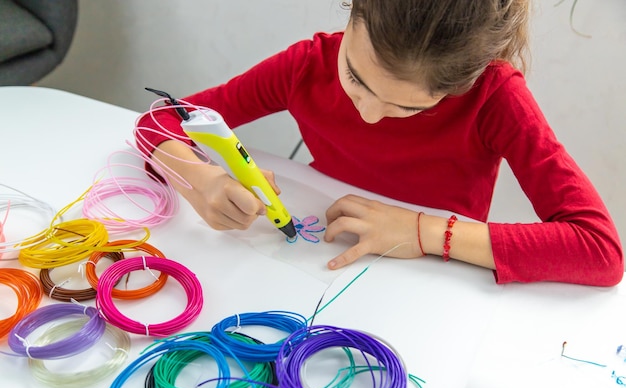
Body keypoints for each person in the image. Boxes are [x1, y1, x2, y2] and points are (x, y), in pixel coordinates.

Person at [135, 0, 623, 286]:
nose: (367, 114)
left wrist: (424, 232)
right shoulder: (306, 65)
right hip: (318, 257)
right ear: (353, 15)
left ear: (461, 85)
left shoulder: (497, 99)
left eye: (409, 108)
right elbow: (155, 122)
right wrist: (202, 180)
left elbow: (600, 250)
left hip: (437, 277)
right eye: (355, 77)